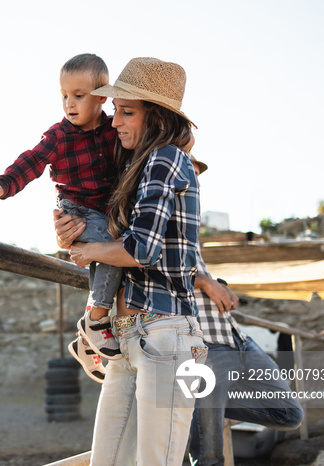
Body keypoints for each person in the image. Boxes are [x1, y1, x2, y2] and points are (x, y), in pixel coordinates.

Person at [55, 57, 206, 465]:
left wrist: (84, 251)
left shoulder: (165, 159)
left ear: (154, 118)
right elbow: (112, 240)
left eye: (127, 111)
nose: (114, 120)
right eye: (114, 109)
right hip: (128, 340)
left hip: (165, 335)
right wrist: (73, 231)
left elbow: (142, 250)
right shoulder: (135, 166)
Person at [0, 53, 122, 381]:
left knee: (115, 255)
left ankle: (85, 343)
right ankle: (96, 321)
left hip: (107, 213)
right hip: (77, 210)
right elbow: (32, 161)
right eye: (64, 96)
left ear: (101, 98)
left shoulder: (115, 129)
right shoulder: (59, 135)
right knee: (112, 251)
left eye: (79, 96)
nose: (69, 103)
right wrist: (2, 184)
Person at [187, 156, 304, 466]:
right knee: (209, 457)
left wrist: (215, 284)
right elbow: (147, 270)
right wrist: (205, 283)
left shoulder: (190, 230)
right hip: (205, 348)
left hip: (237, 339)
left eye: (197, 177)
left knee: (289, 413)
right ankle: (198, 411)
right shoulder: (157, 217)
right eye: (190, 172)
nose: (195, 183)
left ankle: (201, 408)